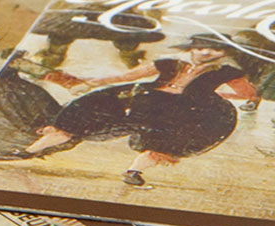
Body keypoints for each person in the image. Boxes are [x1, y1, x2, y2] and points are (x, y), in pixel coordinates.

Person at [20, 40, 259, 185]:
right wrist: (95, 82)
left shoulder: (225, 72)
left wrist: (220, 96)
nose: (206, 52)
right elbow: (128, 76)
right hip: (145, 98)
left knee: (163, 141)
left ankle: (133, 172)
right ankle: (27, 152)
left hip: (183, 109)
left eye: (215, 49)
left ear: (223, 53)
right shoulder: (169, 63)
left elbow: (248, 94)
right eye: (201, 47)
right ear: (192, 49)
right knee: (84, 113)